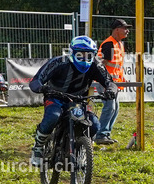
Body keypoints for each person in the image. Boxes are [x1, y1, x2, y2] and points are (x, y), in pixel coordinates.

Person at [29, 35, 117, 167]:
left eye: (89, 55)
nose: (85, 59)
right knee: (53, 117)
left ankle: (81, 148)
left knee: (95, 126)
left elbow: (109, 82)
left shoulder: (96, 65)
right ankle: (38, 147)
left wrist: (110, 90)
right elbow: (36, 80)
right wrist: (41, 88)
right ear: (72, 52)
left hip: (78, 100)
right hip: (55, 97)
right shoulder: (58, 62)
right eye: (80, 55)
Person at [96, 19, 129, 145]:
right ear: (116, 29)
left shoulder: (118, 43)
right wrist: (103, 80)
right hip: (106, 82)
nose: (127, 31)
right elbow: (102, 64)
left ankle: (106, 134)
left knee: (115, 109)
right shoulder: (109, 44)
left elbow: (117, 65)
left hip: (113, 82)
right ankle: (101, 135)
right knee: (110, 107)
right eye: (125, 28)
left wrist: (122, 77)